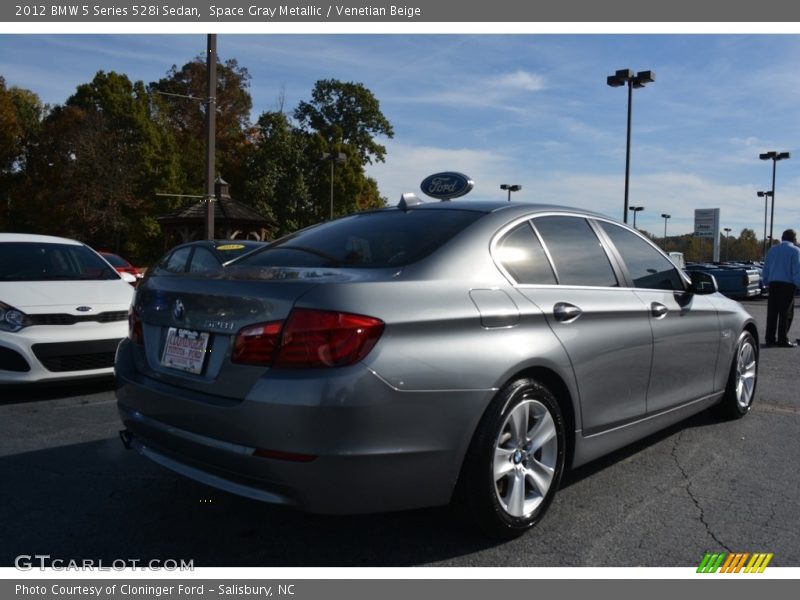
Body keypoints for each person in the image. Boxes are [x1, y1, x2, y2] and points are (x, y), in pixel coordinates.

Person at [762, 228, 800, 347]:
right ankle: (782, 339)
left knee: (772, 312)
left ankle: (770, 339)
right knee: (786, 313)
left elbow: (766, 268)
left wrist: (766, 282)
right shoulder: (795, 251)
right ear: (794, 239)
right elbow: (796, 271)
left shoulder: (772, 250)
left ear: (782, 238)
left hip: (773, 284)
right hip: (787, 285)